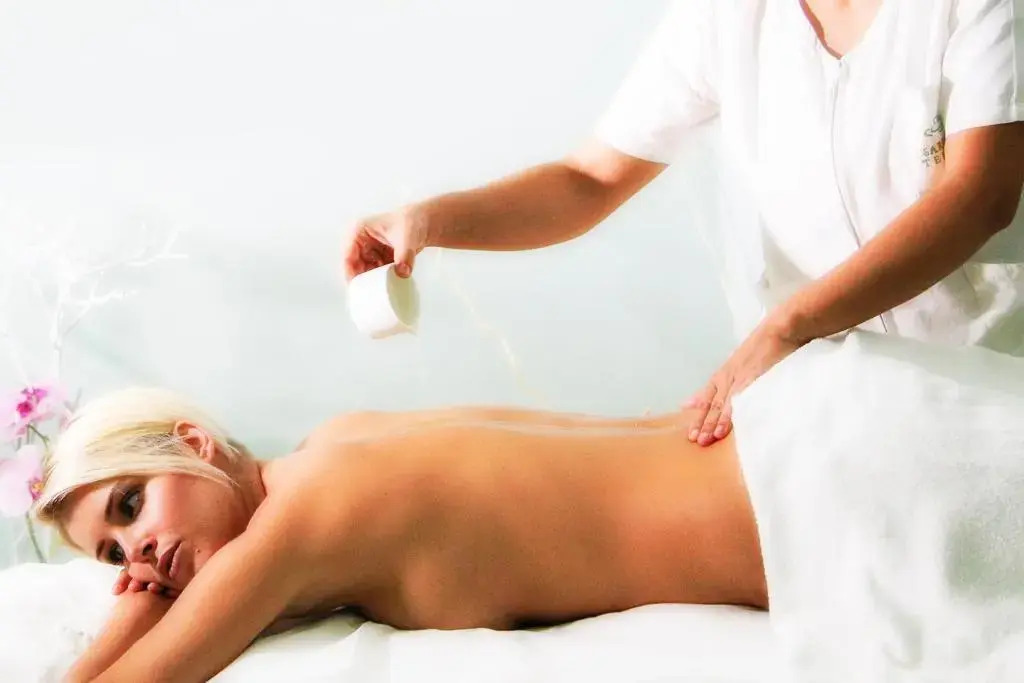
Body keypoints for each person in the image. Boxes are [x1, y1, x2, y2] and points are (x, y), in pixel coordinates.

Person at [342, 0, 1024, 448]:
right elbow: (589, 179)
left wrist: (788, 327)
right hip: (818, 399)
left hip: (983, 388)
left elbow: (981, 194)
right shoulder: (727, 17)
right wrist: (428, 221)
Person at [37, 387, 767, 682]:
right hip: (757, 435)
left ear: (194, 443)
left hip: (781, 499)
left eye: (130, 503)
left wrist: (129, 619)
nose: (137, 555)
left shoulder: (296, 526)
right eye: (112, 554)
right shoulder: (337, 438)